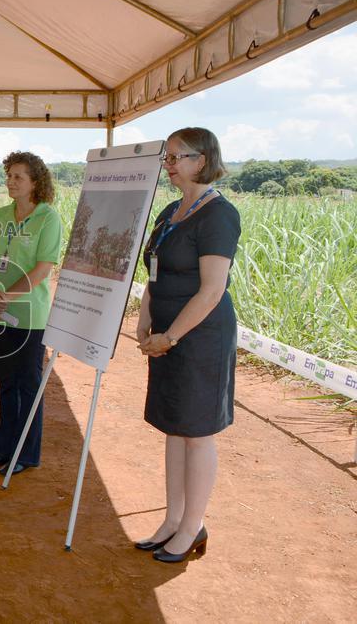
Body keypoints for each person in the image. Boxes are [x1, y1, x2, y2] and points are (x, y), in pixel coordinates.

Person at [134, 127, 240, 563]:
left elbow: (212, 290)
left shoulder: (218, 214)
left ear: (203, 160)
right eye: (168, 157)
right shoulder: (169, 212)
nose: (169, 164)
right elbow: (153, 277)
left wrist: (171, 336)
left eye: (178, 157)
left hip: (199, 339)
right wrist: (144, 327)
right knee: (173, 428)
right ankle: (172, 520)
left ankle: (193, 527)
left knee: (196, 434)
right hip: (164, 336)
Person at [0, 151, 62, 476]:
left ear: (35, 182)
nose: (10, 182)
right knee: (5, 383)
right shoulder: (0, 215)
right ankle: (3, 449)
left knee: (28, 385)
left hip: (30, 316)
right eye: (9, 175)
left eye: (18, 177)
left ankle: (25, 454)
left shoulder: (47, 218)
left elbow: (43, 269)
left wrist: (7, 296)